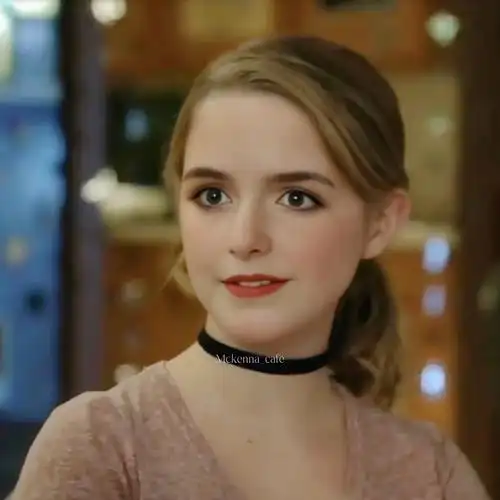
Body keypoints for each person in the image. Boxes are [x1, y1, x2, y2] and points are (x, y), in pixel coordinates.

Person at [12, 35, 490, 500]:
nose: (245, 240)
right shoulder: (101, 449)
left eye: (297, 198)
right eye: (212, 196)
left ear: (381, 223)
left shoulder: (428, 473)